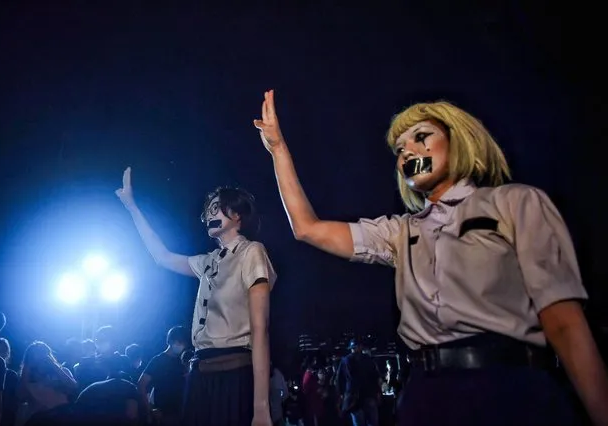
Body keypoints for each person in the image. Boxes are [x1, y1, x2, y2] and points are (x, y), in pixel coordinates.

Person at [254, 90, 608, 425]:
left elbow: (564, 321)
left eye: (421, 136)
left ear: (459, 141)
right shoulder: (400, 231)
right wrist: (278, 149)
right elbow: (307, 228)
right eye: (399, 148)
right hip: (427, 395)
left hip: (508, 386)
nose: (407, 151)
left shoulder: (516, 203)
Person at [116, 168, 277, 426]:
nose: (209, 215)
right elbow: (162, 257)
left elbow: (261, 329)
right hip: (199, 374)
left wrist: (261, 408)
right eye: (208, 211)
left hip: (234, 373)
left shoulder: (252, 252)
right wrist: (132, 207)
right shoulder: (208, 262)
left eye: (217, 208)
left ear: (236, 215)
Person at [138, 326, 190, 426]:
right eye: (179, 341)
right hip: (163, 415)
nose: (182, 345)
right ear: (170, 341)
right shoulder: (158, 361)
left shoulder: (181, 361)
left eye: (184, 343)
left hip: (181, 413)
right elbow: (141, 384)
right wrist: (151, 409)